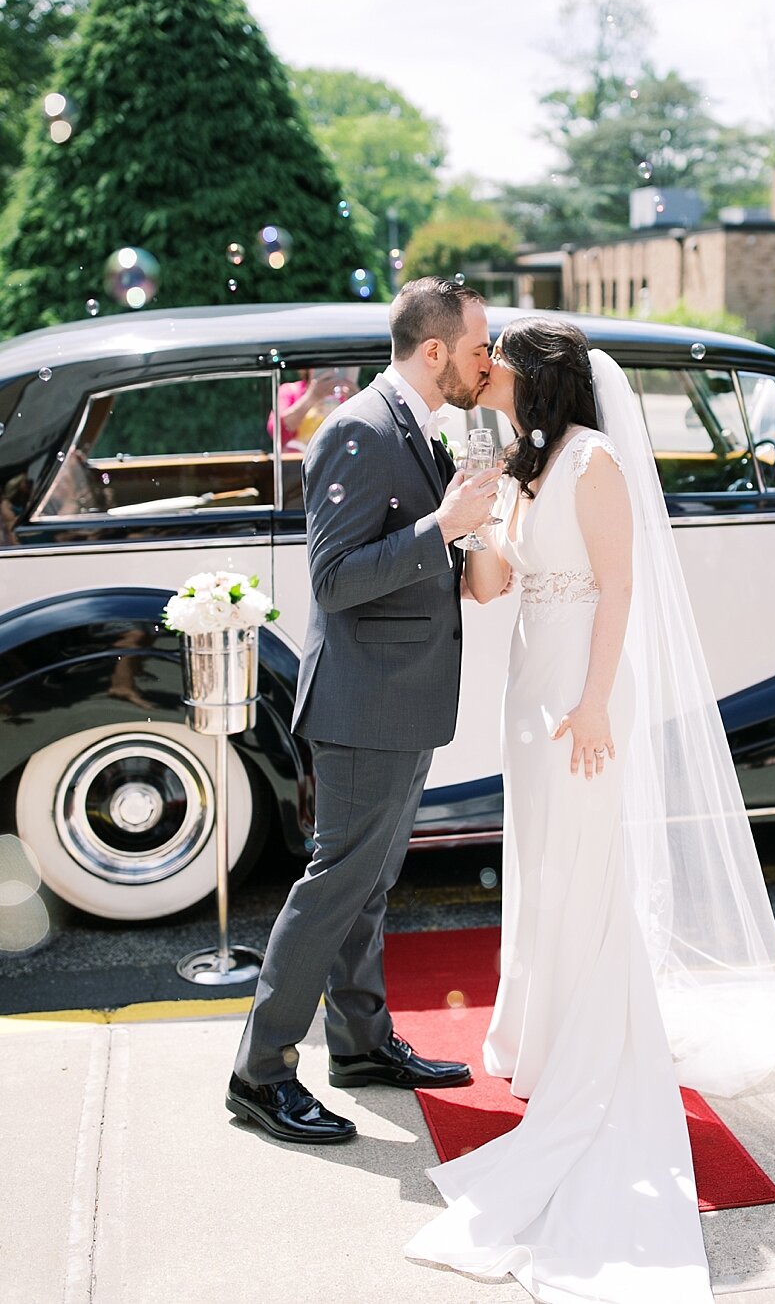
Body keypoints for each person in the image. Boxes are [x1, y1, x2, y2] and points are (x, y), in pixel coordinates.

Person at [406, 316, 775, 1304]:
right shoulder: (525, 466)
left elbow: (620, 588)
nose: (490, 373)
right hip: (528, 683)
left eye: (504, 364)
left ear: (541, 379)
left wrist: (599, 698)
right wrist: (471, 511)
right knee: (540, 861)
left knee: (589, 858)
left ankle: (593, 1039)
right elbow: (490, 589)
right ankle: (537, 1030)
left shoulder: (596, 463)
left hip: (580, 683)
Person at [227, 277, 503, 1144]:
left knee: (370, 886)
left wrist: (464, 533)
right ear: (434, 351)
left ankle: (359, 1044)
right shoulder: (356, 427)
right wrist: (443, 527)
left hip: (403, 698)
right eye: (477, 346)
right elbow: (335, 581)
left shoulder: (416, 425)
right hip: (361, 704)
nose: (483, 361)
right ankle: (259, 1073)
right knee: (334, 885)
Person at [269, 367, 359, 451]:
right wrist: (312, 396)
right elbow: (276, 431)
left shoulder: (344, 395)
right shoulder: (290, 390)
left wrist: (357, 399)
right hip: (297, 463)